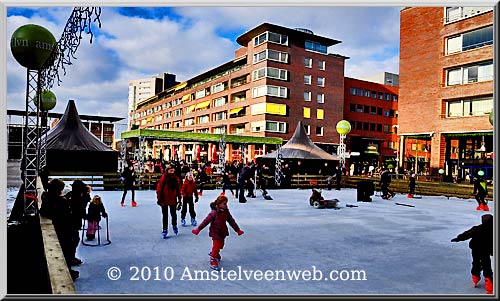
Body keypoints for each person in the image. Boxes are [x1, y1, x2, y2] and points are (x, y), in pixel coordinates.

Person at [191, 195, 244, 270]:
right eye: (224, 204)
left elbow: (231, 221)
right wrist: (198, 229)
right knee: (216, 245)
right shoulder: (214, 212)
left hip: (223, 232)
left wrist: (237, 230)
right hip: (215, 232)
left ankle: (216, 252)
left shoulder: (226, 212)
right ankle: (213, 258)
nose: (226, 205)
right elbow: (206, 221)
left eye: (226, 203)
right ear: (219, 204)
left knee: (221, 245)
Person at [44, 179, 80, 280]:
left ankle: (68, 268)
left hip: (63, 228)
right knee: (66, 250)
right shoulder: (59, 201)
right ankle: (67, 271)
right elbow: (66, 215)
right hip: (63, 230)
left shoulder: (48, 197)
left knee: (67, 249)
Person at [451, 214, 493, 294]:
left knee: (476, 263)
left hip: (476, 248)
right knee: (486, 265)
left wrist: (458, 238)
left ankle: (475, 277)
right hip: (485, 250)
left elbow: (467, 234)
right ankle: (489, 284)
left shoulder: (477, 228)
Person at [65, 180, 91, 267]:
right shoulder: (77, 198)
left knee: (73, 239)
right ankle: (70, 257)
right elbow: (80, 210)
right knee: (74, 240)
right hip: (72, 221)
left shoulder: (73, 195)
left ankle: (71, 257)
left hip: (73, 221)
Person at [156, 165, 182, 239]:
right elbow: (159, 189)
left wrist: (179, 199)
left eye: (173, 170)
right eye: (170, 170)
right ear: (167, 170)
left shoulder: (175, 179)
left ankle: (174, 225)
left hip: (173, 199)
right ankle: (165, 229)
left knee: (173, 214)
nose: (172, 172)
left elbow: (178, 190)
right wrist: (159, 198)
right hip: (164, 199)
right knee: (165, 215)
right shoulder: (164, 178)